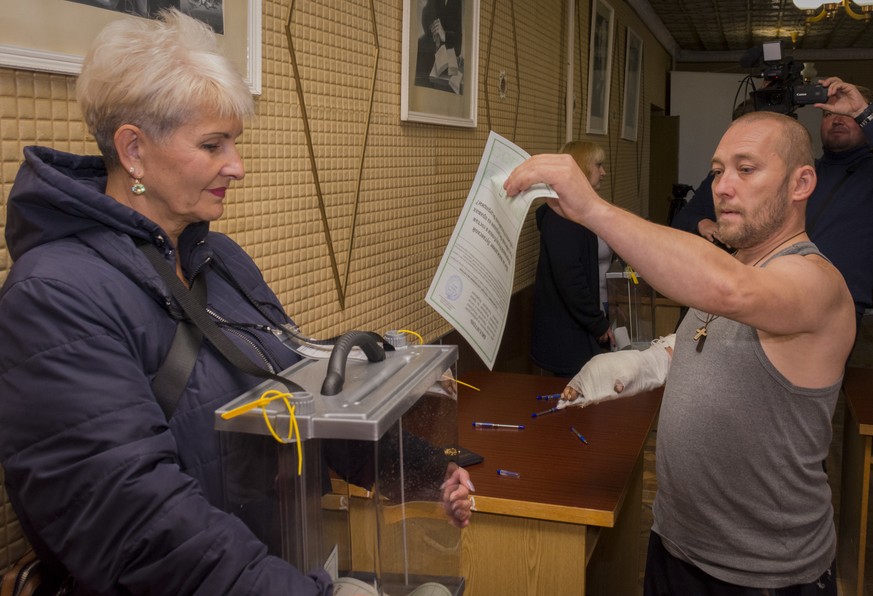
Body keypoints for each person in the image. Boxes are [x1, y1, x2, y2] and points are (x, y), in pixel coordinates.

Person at [0, 10, 473, 595]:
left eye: (235, 142)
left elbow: (297, 397)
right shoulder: (53, 297)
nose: (238, 167)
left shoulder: (219, 259)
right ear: (134, 150)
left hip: (283, 566)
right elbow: (136, 525)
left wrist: (423, 472)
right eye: (212, 144)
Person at [505, 111, 855, 594]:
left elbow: (733, 292)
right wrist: (646, 361)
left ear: (801, 183)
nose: (723, 186)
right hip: (676, 546)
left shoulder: (817, 283)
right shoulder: (736, 265)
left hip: (761, 575)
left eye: (746, 169)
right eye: (716, 171)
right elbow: (706, 338)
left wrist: (594, 210)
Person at [672, 79, 873, 326]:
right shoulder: (802, 172)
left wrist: (862, 111)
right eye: (828, 114)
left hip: (837, 305)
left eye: (847, 114)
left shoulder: (867, 174)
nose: (837, 120)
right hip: (770, 292)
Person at [530, 141, 613, 377]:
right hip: (568, 338)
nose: (603, 172)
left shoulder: (582, 211)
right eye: (598, 165)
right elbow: (571, 279)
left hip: (586, 324)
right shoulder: (561, 219)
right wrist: (597, 323)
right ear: (581, 168)